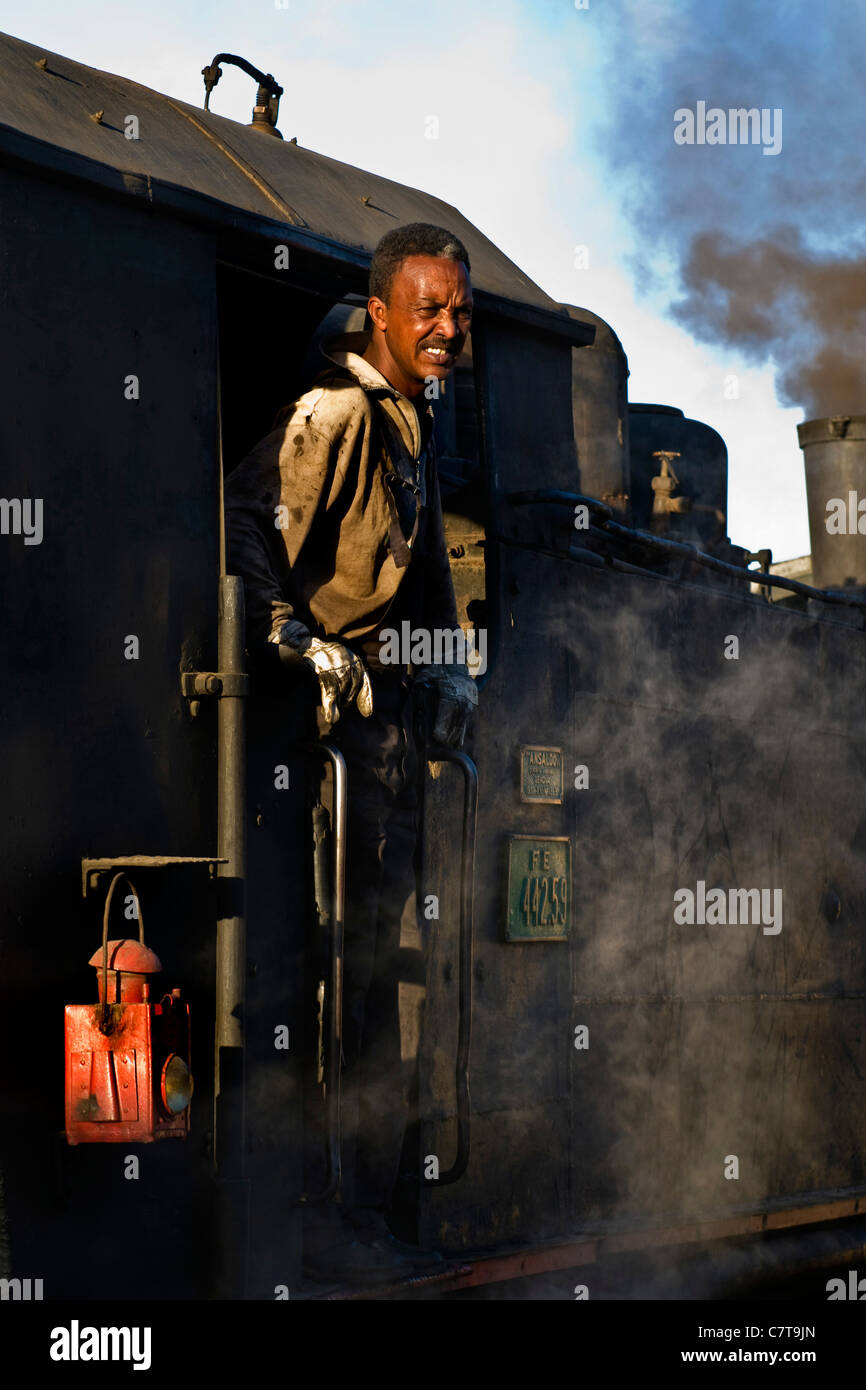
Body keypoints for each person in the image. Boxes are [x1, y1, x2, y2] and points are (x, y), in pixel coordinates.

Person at [225, 223, 478, 1284]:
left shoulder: (412, 428)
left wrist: (452, 663)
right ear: (380, 313)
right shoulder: (331, 417)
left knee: (380, 978)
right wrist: (296, 643)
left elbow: (413, 589)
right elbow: (247, 536)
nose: (446, 329)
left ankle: (368, 1204)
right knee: (319, 978)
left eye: (457, 314)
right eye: (428, 310)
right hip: (309, 741)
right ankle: (303, 1207)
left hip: (380, 745)